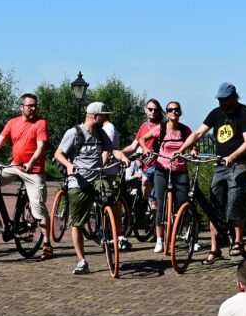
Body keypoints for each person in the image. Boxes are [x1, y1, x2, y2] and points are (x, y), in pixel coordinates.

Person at [175, 82, 246, 262]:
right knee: (214, 205)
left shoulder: (244, 113)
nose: (222, 103)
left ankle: (238, 242)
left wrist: (233, 156)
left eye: (225, 100)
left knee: (234, 196)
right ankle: (215, 248)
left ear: (234, 97)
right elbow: (198, 134)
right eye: (220, 100)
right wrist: (180, 150)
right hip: (220, 164)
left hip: (240, 163)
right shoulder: (216, 113)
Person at [53, 102, 129, 275]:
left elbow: (113, 150)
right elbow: (58, 153)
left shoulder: (101, 133)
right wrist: (69, 165)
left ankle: (114, 237)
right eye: (103, 115)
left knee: (114, 203)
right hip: (79, 180)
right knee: (78, 222)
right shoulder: (74, 133)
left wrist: (122, 157)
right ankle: (82, 260)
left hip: (97, 177)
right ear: (94, 116)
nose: (106, 118)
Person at [0, 93, 54, 260]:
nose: (33, 108)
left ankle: (47, 244)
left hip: (33, 171)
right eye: (29, 105)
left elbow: (40, 148)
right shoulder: (13, 123)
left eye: (35, 105)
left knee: (38, 208)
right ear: (21, 107)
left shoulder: (41, 123)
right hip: (15, 166)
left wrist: (31, 162)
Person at [140, 101, 192, 253]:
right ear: (167, 112)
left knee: (184, 203)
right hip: (162, 168)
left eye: (176, 110)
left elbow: (193, 141)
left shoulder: (185, 129)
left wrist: (194, 150)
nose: (173, 112)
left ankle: (187, 233)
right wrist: (145, 150)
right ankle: (160, 240)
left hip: (180, 169)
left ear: (180, 112)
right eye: (170, 110)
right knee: (161, 204)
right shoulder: (161, 128)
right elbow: (143, 139)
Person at [122, 99, 164, 203]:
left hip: (160, 166)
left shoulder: (164, 126)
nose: (153, 112)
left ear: (159, 111)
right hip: (146, 166)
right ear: (145, 110)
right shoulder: (144, 127)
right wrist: (119, 154)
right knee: (145, 199)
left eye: (155, 109)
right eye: (150, 109)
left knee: (155, 202)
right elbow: (133, 147)